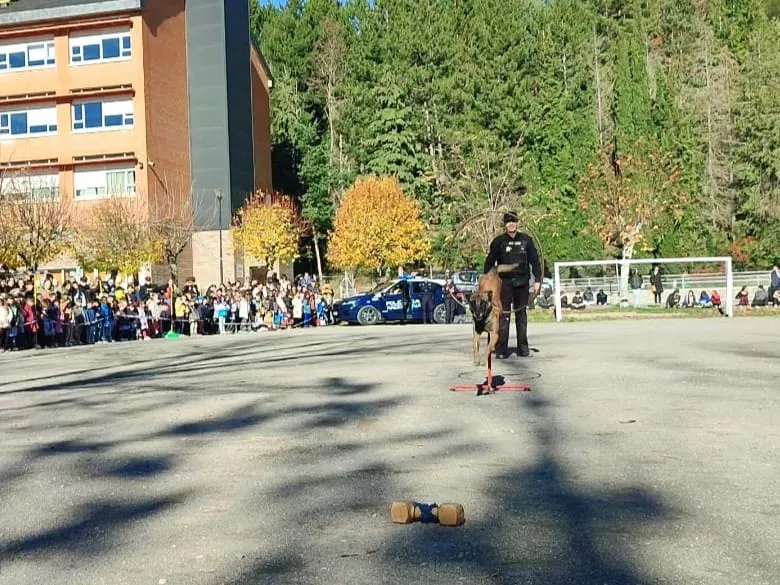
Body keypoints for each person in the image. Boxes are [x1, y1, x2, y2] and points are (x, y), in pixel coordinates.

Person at [484, 211, 542, 358]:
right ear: (505, 224)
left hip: (522, 282)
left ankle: (523, 348)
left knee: (521, 315)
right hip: (504, 284)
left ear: (518, 223)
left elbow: (535, 261)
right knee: (503, 316)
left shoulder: (526, 240)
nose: (511, 224)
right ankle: (501, 349)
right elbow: (489, 263)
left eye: (514, 221)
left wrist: (538, 280)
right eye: (508, 222)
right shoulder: (499, 242)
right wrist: (488, 281)